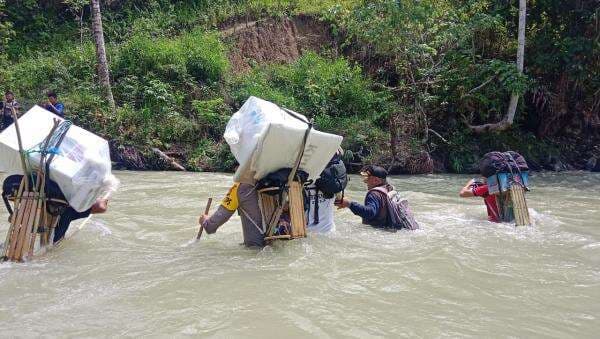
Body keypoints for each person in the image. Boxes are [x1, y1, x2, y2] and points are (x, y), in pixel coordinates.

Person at [1, 174, 108, 243]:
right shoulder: (65, 207)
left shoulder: (25, 211)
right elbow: (100, 207)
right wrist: (104, 196)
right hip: (53, 232)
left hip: (46, 215)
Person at [198, 182, 265, 247]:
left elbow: (210, 227)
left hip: (254, 249)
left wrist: (204, 219)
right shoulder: (273, 182)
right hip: (272, 244)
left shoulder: (239, 188)